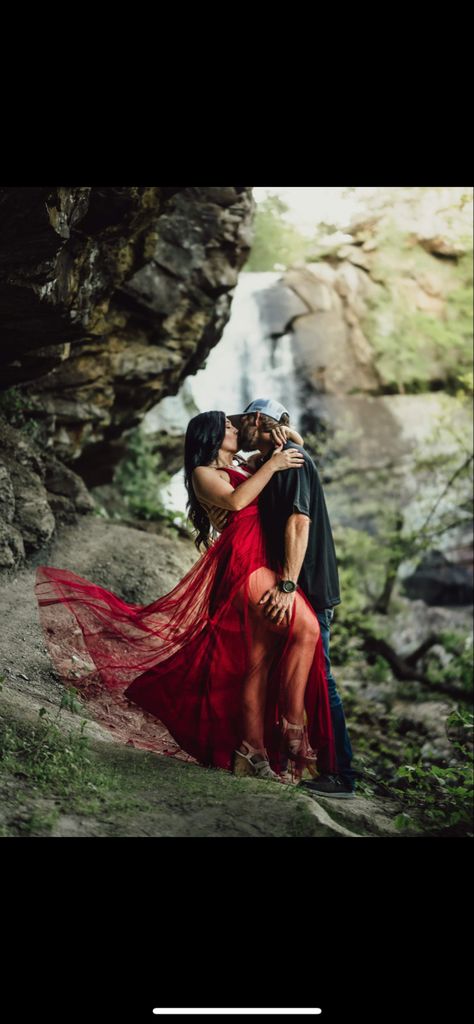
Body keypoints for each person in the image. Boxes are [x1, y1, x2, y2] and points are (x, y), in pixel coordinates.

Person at [34, 410, 337, 784]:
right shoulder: (202, 473)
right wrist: (273, 465)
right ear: (210, 436)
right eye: (226, 426)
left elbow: (297, 446)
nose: (233, 428)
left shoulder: (247, 463)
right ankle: (293, 734)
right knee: (305, 629)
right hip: (244, 562)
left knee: (257, 662)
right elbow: (238, 501)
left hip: (263, 559)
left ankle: (251, 752)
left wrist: (278, 438)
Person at [220, 398, 356, 798]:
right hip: (295, 585)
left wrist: (288, 585)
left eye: (241, 421)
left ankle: (341, 775)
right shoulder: (276, 460)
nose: (237, 429)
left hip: (306, 587)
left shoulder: (290, 459)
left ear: (257, 419)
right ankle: (285, 760)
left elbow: (299, 522)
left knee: (321, 680)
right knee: (285, 674)